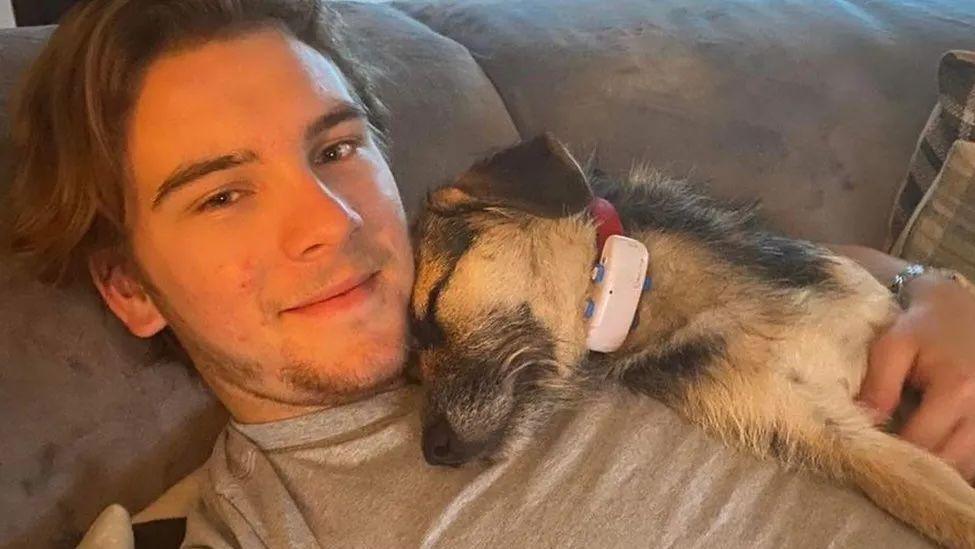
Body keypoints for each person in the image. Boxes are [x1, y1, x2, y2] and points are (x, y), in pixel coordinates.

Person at [6, 0, 975, 546]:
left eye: (337, 151)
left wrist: (928, 286)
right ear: (130, 290)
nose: (330, 224)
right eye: (222, 195)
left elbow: (772, 271)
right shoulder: (264, 530)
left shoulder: (517, 257)